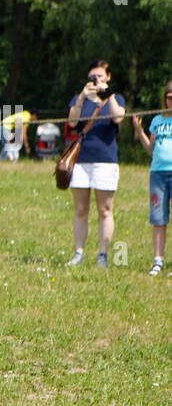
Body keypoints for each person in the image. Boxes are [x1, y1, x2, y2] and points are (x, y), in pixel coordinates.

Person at [65, 60, 126, 268]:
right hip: (81, 161)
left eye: (101, 76)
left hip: (105, 162)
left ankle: (103, 255)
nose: (97, 80)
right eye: (93, 76)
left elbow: (118, 118)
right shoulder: (79, 98)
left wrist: (107, 95)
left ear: (108, 77)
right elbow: (72, 122)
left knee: (104, 210)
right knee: (81, 209)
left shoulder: (115, 98)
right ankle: (78, 253)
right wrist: (83, 96)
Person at [133, 79, 172, 276]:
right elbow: (150, 147)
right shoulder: (157, 121)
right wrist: (139, 131)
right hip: (158, 173)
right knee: (158, 218)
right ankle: (158, 261)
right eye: (169, 98)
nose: (171, 102)